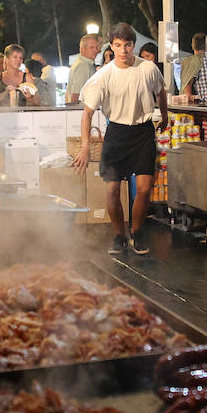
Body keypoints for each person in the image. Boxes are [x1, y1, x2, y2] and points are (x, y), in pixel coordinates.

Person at [73, 23, 168, 256]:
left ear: (133, 45)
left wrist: (164, 116)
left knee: (144, 190)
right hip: (116, 133)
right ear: (112, 46)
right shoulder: (102, 76)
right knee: (113, 190)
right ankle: (119, 236)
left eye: (127, 45)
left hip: (143, 131)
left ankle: (137, 232)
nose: (123, 50)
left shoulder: (148, 68)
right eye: (118, 45)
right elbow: (87, 113)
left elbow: (161, 92)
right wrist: (85, 147)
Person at [67, 34, 100, 103]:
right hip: (82, 110)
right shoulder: (83, 66)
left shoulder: (85, 64)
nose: (95, 50)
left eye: (96, 47)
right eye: (91, 47)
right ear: (82, 49)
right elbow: (76, 95)